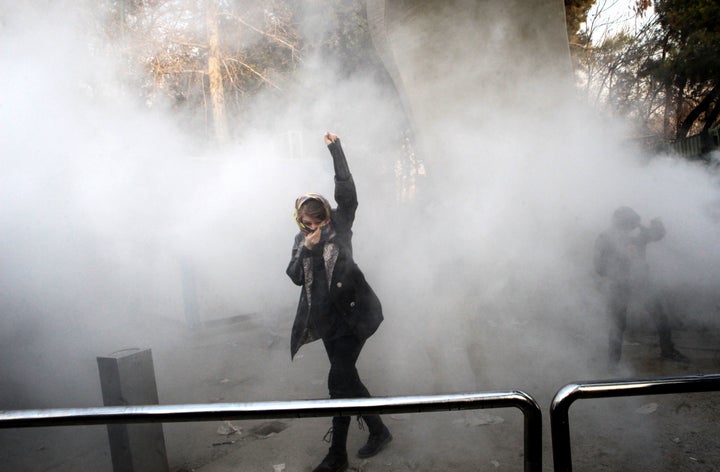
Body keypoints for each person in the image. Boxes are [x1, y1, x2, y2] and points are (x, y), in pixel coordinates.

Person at [286, 132, 392, 472]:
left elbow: (348, 197)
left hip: (355, 320)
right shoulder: (300, 241)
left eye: (319, 223)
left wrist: (336, 150)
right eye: (307, 224)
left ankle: (337, 456)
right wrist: (308, 248)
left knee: (338, 383)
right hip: (326, 324)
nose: (313, 229)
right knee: (349, 380)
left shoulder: (340, 227)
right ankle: (379, 431)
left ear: (328, 218)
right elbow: (294, 276)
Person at [594, 206, 689, 366]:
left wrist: (657, 224)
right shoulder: (605, 238)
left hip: (641, 282)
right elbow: (599, 267)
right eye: (630, 224)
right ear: (621, 223)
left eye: (634, 224)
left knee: (660, 316)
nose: (633, 227)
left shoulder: (637, 234)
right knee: (617, 324)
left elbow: (657, 235)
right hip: (619, 285)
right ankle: (613, 362)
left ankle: (667, 351)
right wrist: (621, 264)